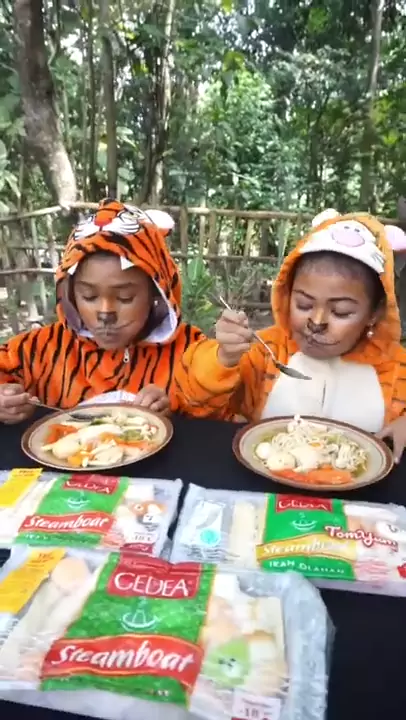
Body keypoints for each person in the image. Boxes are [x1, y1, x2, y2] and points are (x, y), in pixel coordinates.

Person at [175, 209, 406, 460]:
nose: (316, 322)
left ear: (374, 313)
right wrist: (222, 359)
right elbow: (196, 407)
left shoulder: (396, 369)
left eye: (340, 312)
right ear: (287, 295)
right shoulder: (265, 354)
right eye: (304, 305)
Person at [0, 198, 202, 423]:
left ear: (157, 292)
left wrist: (174, 409)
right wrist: (5, 399)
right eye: (89, 296)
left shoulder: (189, 353)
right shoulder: (44, 348)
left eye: (125, 297)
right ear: (70, 293)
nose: (105, 313)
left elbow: (220, 407)